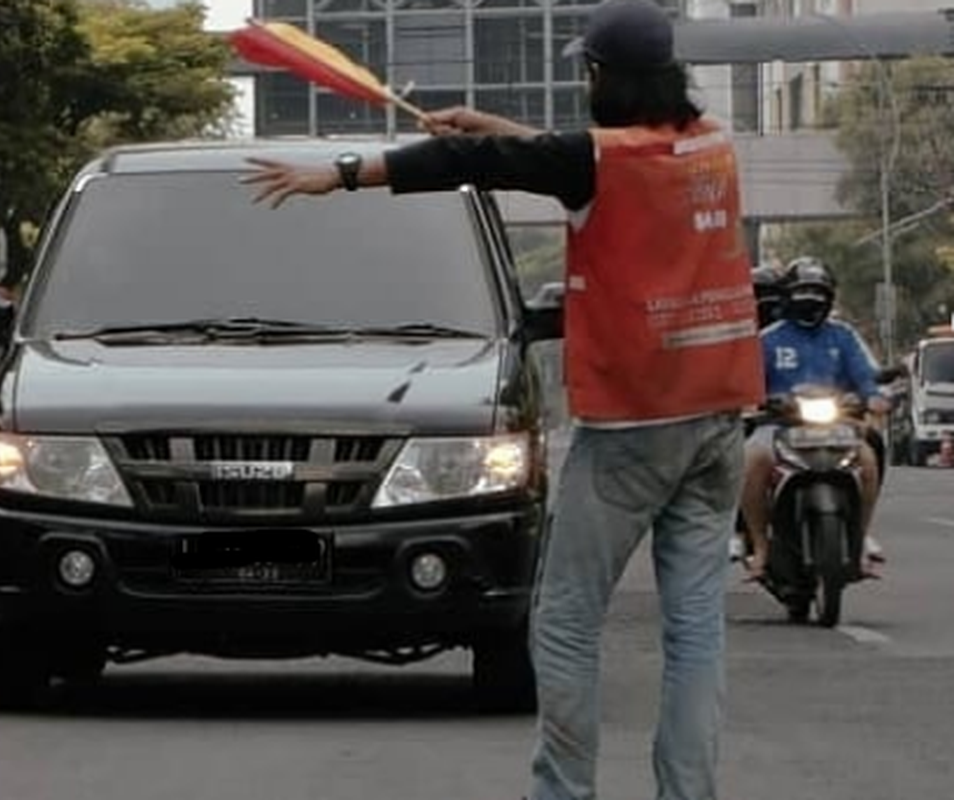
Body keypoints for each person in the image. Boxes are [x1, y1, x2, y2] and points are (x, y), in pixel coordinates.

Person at [242, 2, 764, 798]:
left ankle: (562, 792)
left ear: (601, 77)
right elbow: (554, 155)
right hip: (717, 419)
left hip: (630, 425)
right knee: (695, 629)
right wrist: (489, 124)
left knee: (563, 622)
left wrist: (340, 174)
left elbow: (476, 165)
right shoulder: (713, 145)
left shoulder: (598, 161)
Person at [739, 256, 890, 582]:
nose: (811, 300)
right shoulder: (768, 338)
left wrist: (874, 397)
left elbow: (866, 376)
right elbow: (747, 380)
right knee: (752, 460)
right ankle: (761, 547)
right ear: (787, 296)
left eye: (818, 292)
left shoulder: (843, 335)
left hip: (837, 425)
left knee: (867, 461)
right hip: (778, 427)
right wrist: (754, 401)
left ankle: (861, 537)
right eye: (803, 292)